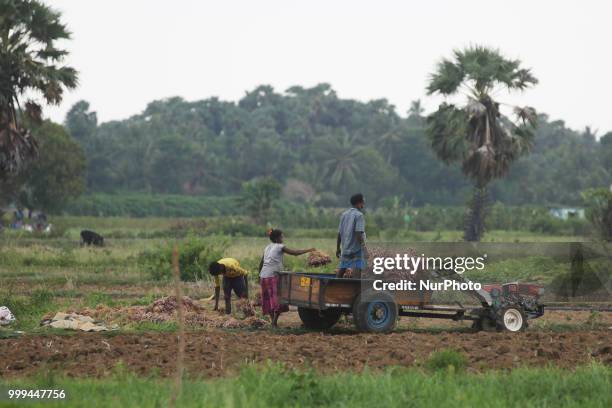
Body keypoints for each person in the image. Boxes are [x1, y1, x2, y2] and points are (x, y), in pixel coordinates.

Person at [259, 229, 315, 327]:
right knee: (278, 299)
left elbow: (261, 263)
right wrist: (309, 250)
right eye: (282, 236)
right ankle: (274, 322)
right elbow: (295, 253)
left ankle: (273, 322)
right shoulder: (280, 246)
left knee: (269, 299)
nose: (283, 238)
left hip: (264, 276)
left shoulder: (267, 247)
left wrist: (259, 276)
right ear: (277, 238)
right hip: (273, 276)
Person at [336, 193, 367, 279]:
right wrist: (365, 250)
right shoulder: (359, 216)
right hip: (356, 250)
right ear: (359, 203)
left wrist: (338, 248)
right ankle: (355, 291)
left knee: (341, 271)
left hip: (346, 249)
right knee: (357, 273)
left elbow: (339, 233)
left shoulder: (344, 215)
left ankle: (333, 285)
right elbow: (358, 234)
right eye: (363, 202)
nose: (363, 204)